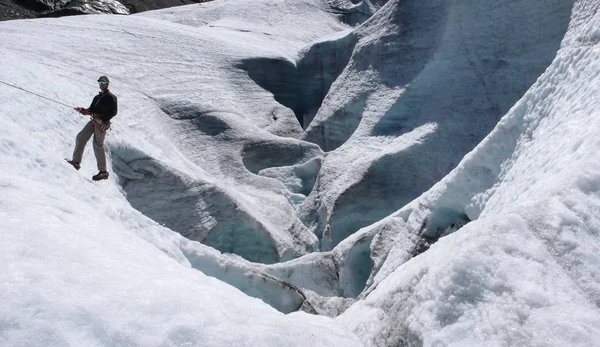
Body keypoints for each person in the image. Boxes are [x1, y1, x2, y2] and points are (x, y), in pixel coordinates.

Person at [66, 76, 118, 181]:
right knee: (81, 137)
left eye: (103, 82)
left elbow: (113, 112)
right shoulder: (97, 97)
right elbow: (91, 110)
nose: (101, 84)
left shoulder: (111, 97)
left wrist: (103, 120)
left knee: (97, 145)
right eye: (100, 82)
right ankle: (76, 162)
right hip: (94, 121)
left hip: (101, 123)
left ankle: (103, 172)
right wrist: (82, 110)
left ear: (108, 84)